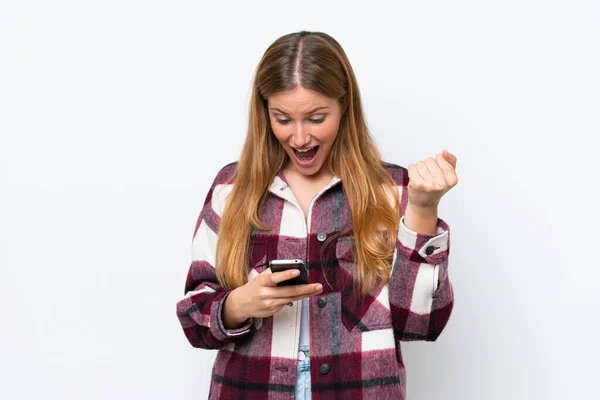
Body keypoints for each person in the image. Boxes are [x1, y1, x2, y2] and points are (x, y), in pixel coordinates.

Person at [176, 30, 458, 400]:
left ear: (344, 107)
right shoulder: (232, 189)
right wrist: (238, 304)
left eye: (315, 117)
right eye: (282, 119)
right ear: (265, 114)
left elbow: (420, 325)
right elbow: (194, 318)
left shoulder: (392, 191)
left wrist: (423, 210)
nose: (299, 138)